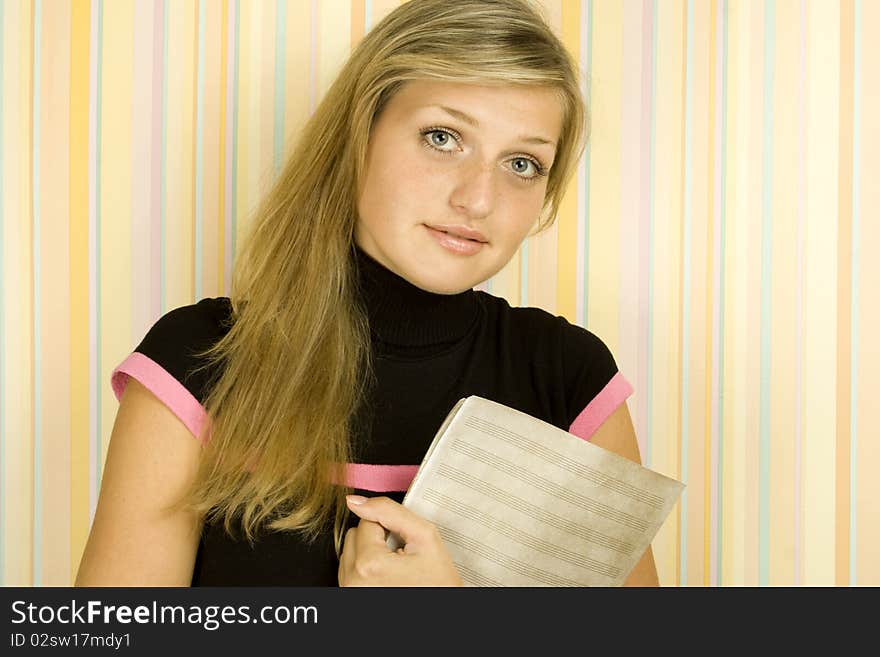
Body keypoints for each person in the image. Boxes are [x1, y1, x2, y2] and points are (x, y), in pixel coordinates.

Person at [75, 0, 658, 587]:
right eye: (442, 136)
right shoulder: (199, 364)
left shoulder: (568, 379)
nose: (479, 200)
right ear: (358, 134)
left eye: (523, 163)